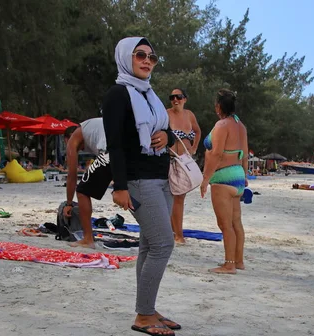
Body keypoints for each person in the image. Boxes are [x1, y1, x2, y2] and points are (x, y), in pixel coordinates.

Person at [102, 36, 179, 335]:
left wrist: (168, 137)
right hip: (137, 180)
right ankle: (143, 316)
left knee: (149, 245)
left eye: (152, 57)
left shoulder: (149, 94)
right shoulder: (117, 95)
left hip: (162, 178)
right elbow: (116, 146)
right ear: (125, 58)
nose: (147, 61)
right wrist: (119, 187)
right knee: (163, 244)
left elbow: (167, 131)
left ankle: (148, 308)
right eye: (140, 55)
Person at [201, 89, 248, 275]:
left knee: (225, 224)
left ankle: (229, 264)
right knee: (236, 222)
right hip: (237, 176)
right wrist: (244, 176)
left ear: (218, 106)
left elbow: (216, 153)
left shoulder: (221, 125)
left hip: (222, 177)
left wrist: (205, 179)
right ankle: (239, 261)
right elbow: (243, 153)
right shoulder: (240, 126)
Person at [63, 119, 109, 249]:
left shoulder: (73, 138)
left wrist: (69, 203)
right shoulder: (92, 130)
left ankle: (88, 239)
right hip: (126, 149)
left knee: (82, 191)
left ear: (67, 138)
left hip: (110, 151)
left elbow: (72, 175)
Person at [166, 88, 201, 245]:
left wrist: (194, 147)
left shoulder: (190, 115)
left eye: (178, 97)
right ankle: (173, 234)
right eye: (172, 97)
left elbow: (198, 131)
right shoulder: (166, 114)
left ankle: (177, 234)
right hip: (169, 160)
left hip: (185, 160)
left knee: (180, 197)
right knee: (170, 197)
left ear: (185, 99)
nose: (175, 99)